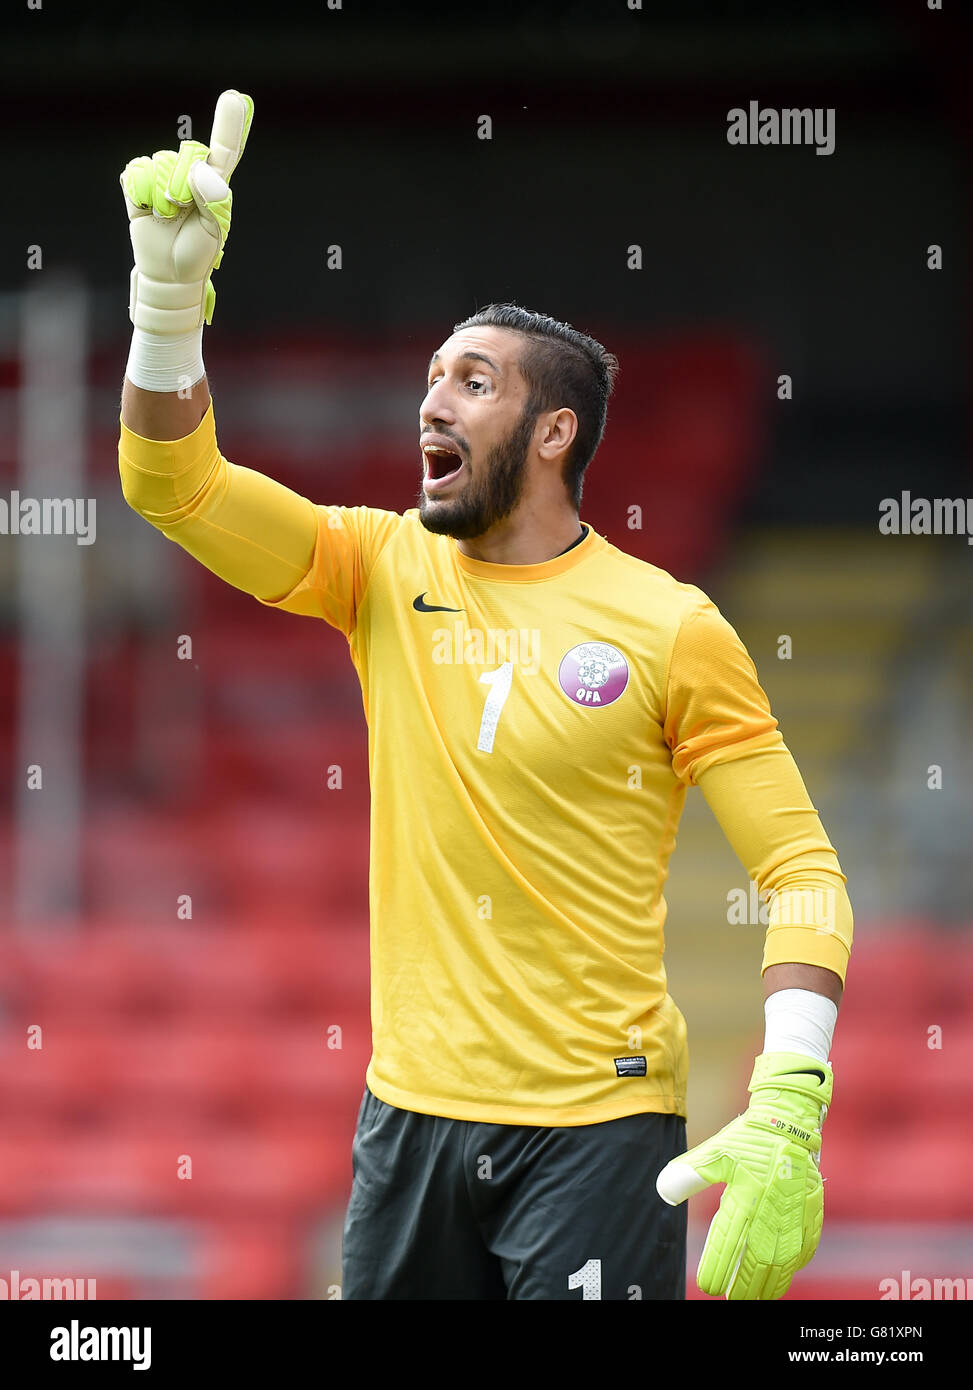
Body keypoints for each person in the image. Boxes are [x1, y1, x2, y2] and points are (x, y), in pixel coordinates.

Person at [117, 92, 853, 1301]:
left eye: (472, 381)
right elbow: (171, 486)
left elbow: (803, 873)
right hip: (404, 1123)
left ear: (555, 430)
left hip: (595, 1133)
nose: (431, 404)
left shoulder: (673, 625)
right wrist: (163, 307)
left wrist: (787, 1098)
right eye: (429, 379)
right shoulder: (379, 565)